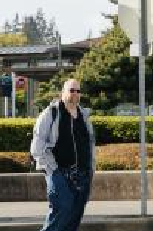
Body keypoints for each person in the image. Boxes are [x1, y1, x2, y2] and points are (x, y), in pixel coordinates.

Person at [30, 78, 97, 231]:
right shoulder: (51, 113)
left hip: (83, 174)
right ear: (63, 93)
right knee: (61, 211)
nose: (75, 94)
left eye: (78, 91)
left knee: (74, 217)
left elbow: (90, 143)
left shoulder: (84, 115)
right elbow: (37, 147)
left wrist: (91, 168)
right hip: (59, 172)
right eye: (71, 90)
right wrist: (53, 170)